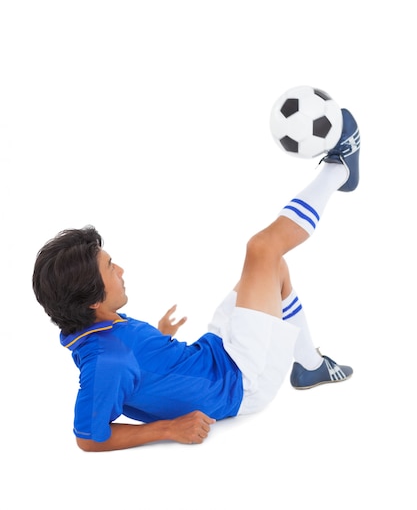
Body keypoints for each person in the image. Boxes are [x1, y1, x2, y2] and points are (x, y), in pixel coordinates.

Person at [32, 107, 360, 452]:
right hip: (240, 382)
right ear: (92, 301)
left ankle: (309, 367)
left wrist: (158, 338)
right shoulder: (106, 361)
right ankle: (340, 168)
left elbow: (132, 364)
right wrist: (168, 428)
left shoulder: (93, 324)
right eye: (111, 266)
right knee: (262, 249)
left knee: (274, 269)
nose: (122, 271)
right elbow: (88, 438)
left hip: (214, 354)